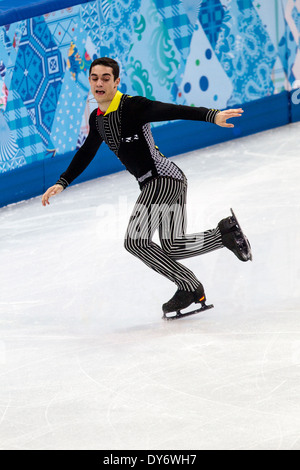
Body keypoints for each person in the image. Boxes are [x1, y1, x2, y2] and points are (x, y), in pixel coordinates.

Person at [42, 57, 251, 318]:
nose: (99, 83)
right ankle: (224, 234)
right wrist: (63, 182)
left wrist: (212, 115)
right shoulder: (97, 119)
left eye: (106, 78)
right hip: (163, 182)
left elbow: (173, 109)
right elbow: (86, 152)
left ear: (116, 82)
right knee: (173, 246)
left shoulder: (132, 106)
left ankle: (189, 286)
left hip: (162, 180)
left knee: (135, 241)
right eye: (94, 78)